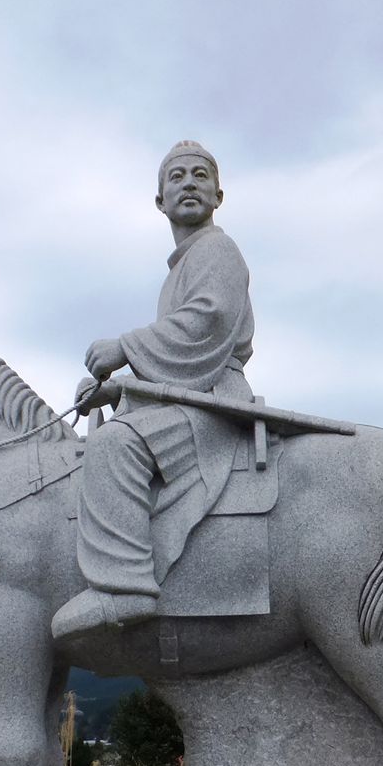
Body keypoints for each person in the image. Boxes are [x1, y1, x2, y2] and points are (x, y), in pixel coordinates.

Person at [51, 141, 255, 639]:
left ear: (219, 194)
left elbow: (205, 325)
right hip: (193, 393)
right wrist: (118, 392)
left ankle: (125, 585)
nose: (189, 182)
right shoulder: (182, 266)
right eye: (177, 176)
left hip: (215, 401)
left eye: (200, 175)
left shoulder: (217, 250)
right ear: (159, 200)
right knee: (115, 428)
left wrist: (125, 347)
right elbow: (176, 366)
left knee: (114, 444)